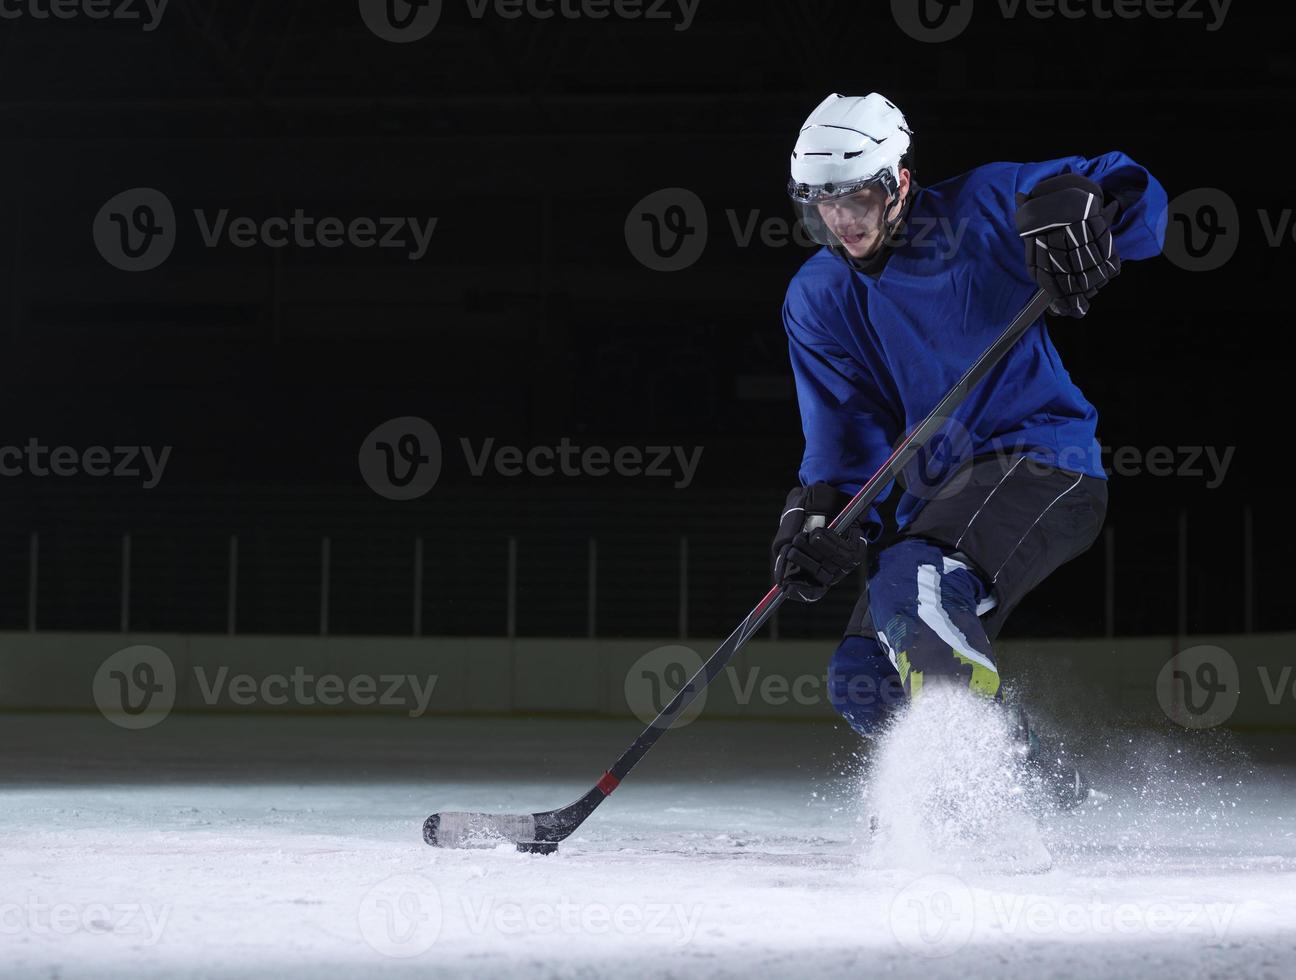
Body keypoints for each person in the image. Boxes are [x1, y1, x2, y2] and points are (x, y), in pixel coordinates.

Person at [770, 92, 1166, 804]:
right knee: (862, 676)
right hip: (942, 495)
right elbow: (842, 439)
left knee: (911, 581)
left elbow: (1126, 191)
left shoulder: (981, 207)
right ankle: (1032, 780)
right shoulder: (816, 295)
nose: (840, 220)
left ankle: (967, 796)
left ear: (898, 182)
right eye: (820, 202)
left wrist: (1090, 206)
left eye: (855, 197)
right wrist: (818, 517)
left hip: (1042, 463)